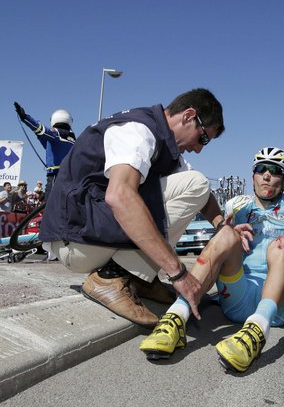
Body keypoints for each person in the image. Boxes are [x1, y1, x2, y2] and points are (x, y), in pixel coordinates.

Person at [139, 146, 284, 372]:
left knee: (283, 244)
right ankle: (176, 317)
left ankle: (258, 329)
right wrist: (227, 230)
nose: (266, 175)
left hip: (279, 308)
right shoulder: (237, 205)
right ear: (253, 175)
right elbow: (220, 251)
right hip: (238, 297)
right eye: (261, 169)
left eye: (275, 170)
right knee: (224, 233)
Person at [39, 88, 226, 327]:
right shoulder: (138, 131)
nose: (199, 148)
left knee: (194, 184)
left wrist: (221, 224)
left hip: (90, 232)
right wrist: (178, 272)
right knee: (196, 183)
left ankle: (140, 279)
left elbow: (201, 193)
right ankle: (110, 278)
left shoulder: (167, 147)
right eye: (203, 138)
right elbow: (119, 196)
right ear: (188, 116)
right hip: (75, 240)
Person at [14, 103, 76, 201]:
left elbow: (39, 129)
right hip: (71, 180)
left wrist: (25, 117)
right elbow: (44, 139)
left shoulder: (55, 135)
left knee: (51, 208)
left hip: (56, 178)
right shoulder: (73, 140)